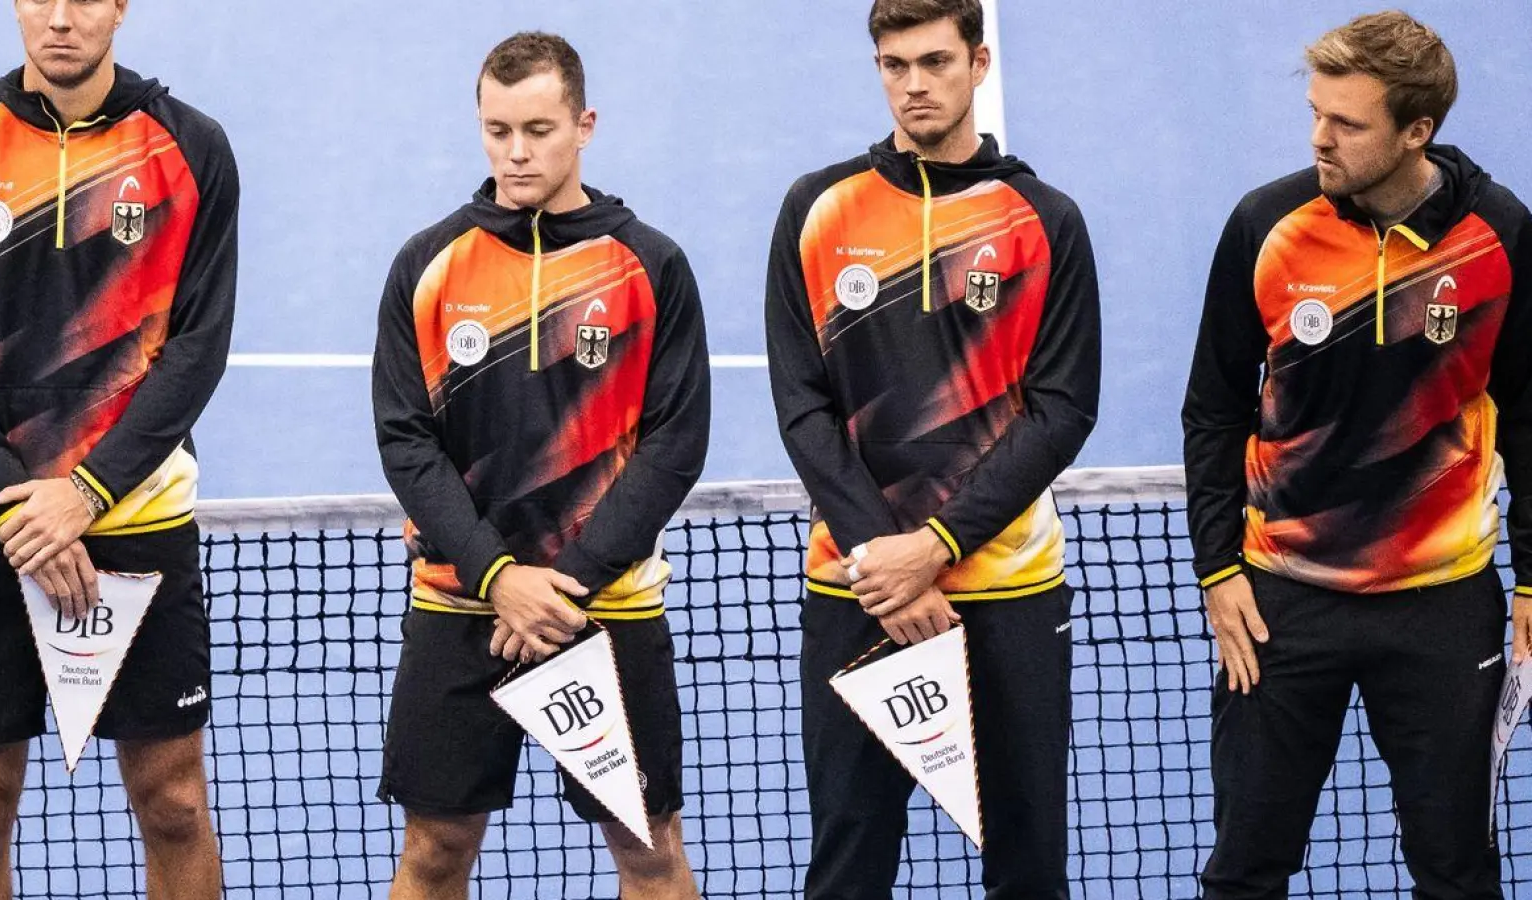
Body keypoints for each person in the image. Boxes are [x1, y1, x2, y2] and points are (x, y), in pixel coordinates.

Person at [1183, 11, 1532, 898]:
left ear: (1416, 131)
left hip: (1442, 606)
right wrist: (1216, 570)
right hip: (1280, 605)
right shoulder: (1267, 224)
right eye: (1314, 113)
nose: (1318, 138)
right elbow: (1213, 408)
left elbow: (1528, 416)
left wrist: (1530, 581)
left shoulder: (1499, 235)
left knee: (1456, 870)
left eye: (1346, 123)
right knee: (1245, 868)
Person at [764, 1, 1100, 896]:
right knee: (849, 852)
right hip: (857, 588)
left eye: (933, 62)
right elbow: (801, 405)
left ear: (977, 63)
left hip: (1007, 594)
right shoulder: (818, 208)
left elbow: (1063, 409)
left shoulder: (1044, 218)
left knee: (1027, 860)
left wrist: (935, 548)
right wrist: (884, 554)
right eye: (892, 64)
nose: (913, 85)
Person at [371, 31, 710, 900]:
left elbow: (675, 444)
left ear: (583, 125)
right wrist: (497, 576)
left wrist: (565, 586)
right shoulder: (429, 263)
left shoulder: (650, 265)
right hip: (459, 605)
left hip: (605, 610)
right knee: (434, 854)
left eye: (538, 129)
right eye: (497, 130)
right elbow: (407, 440)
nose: (516, 153)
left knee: (647, 850)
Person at [0, 1, 239, 897]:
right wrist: (21, 505)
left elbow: (197, 345)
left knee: (174, 801)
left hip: (137, 518)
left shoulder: (191, 147)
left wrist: (88, 493)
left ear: (119, 7)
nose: (60, 19)